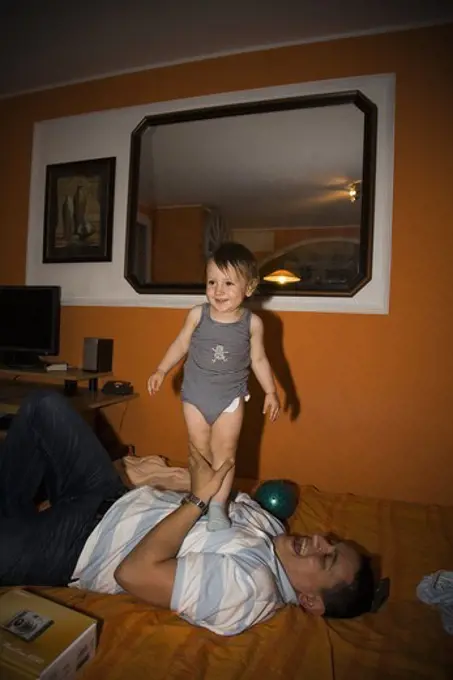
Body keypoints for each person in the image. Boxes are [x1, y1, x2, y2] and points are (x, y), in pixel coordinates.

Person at [0, 391, 376, 636]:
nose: (320, 541)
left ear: (310, 601)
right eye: (333, 542)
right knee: (43, 407)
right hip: (107, 494)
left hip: (77, 547)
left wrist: (196, 500)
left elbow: (132, 573)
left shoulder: (249, 588)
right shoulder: (272, 526)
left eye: (326, 559)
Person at [147, 241, 281, 532]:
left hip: (230, 399)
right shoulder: (197, 314)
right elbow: (181, 343)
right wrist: (161, 369)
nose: (218, 290)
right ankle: (199, 501)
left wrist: (270, 391)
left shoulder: (252, 323)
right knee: (198, 452)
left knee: (225, 453)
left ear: (249, 287)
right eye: (212, 282)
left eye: (228, 283)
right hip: (195, 395)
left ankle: (218, 507)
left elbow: (258, 358)